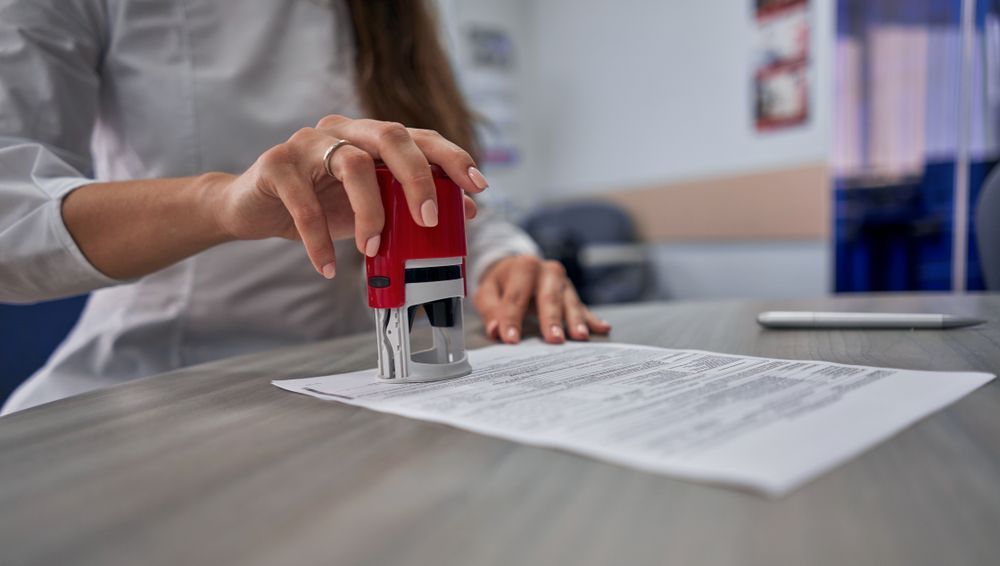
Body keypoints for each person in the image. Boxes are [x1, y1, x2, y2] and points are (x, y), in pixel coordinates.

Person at [0, 0, 610, 414]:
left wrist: (504, 262)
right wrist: (221, 202)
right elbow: (10, 220)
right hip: (163, 385)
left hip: (361, 388)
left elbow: (436, 186)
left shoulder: (396, 16)